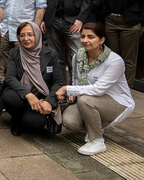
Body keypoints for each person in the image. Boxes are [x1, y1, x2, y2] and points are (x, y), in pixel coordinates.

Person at [56, 23, 135, 156]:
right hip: (90, 99)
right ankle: (95, 125)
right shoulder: (78, 56)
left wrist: (67, 89)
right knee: (70, 122)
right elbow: (76, 79)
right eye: (82, 36)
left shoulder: (115, 61)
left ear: (102, 40)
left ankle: (97, 141)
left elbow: (99, 90)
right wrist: (72, 95)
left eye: (91, 37)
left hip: (117, 102)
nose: (85, 40)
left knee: (85, 101)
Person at [1, 22, 64, 136]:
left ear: (37, 35)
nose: (26, 38)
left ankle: (26, 117)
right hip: (21, 96)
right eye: (22, 35)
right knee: (9, 97)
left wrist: (49, 101)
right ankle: (16, 119)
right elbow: (10, 78)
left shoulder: (50, 54)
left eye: (30, 34)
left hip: (41, 97)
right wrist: (28, 95)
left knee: (33, 123)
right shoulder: (15, 52)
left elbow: (58, 81)